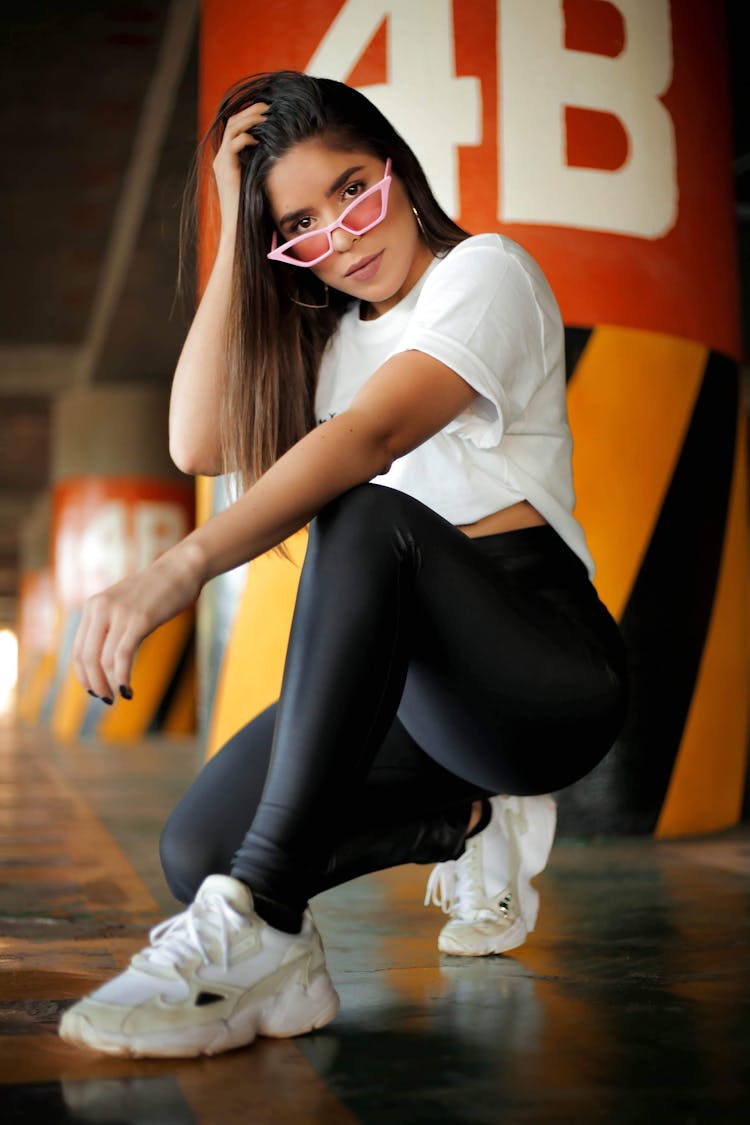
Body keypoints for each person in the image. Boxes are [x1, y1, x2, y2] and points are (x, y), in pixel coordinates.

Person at [59, 70, 628, 1058]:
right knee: (197, 851)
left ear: (399, 172)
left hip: (539, 668)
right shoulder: (319, 343)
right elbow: (197, 439)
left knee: (363, 514)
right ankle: (461, 821)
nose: (344, 235)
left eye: (355, 189)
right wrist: (238, 231)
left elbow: (366, 440)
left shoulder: (483, 273)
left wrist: (178, 569)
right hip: (413, 697)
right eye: (302, 226)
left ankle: (268, 926)